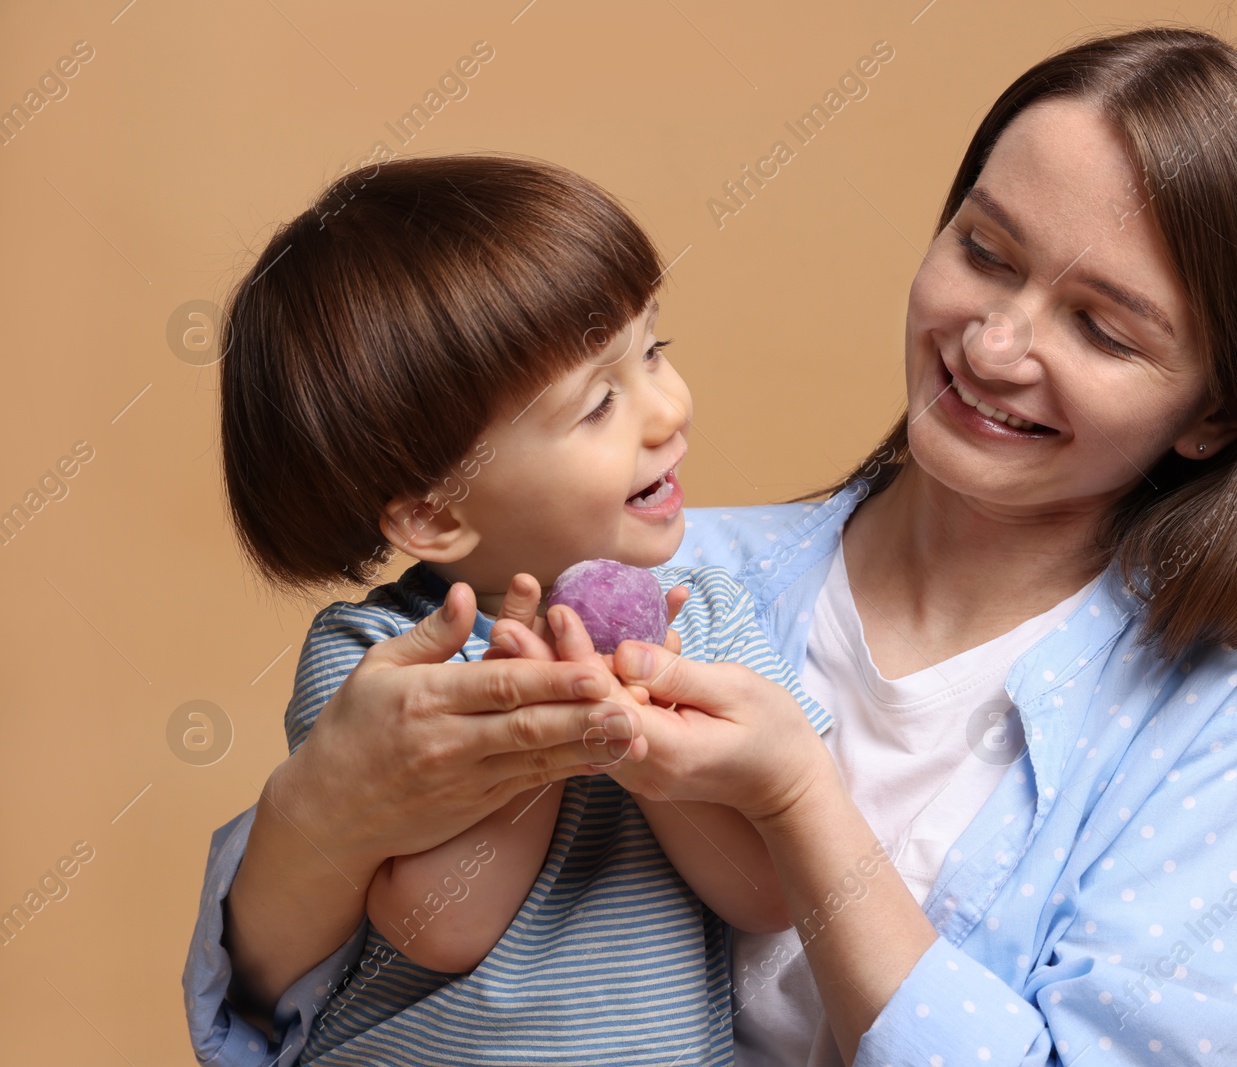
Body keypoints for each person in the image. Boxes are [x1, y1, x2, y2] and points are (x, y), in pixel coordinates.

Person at [184, 26, 1237, 1067]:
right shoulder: (665, 572)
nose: (995, 345)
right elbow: (277, 1009)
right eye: (984, 251)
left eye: (1104, 330)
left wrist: (798, 800)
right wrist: (321, 815)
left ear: (1216, 408)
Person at [191, 153, 835, 1065]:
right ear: (437, 513)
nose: (666, 411)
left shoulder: (710, 620)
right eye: (598, 404)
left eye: (653, 352)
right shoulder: (385, 662)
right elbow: (437, 926)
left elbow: (767, 890)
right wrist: (538, 717)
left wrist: (642, 716)